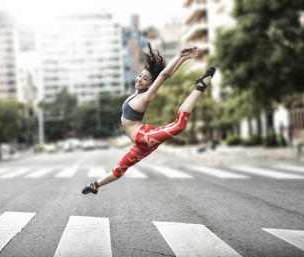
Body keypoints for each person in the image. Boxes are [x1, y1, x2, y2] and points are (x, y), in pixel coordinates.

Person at [82, 43, 215, 194]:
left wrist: (179, 55)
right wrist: (183, 58)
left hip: (143, 137)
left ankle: (200, 86)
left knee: (179, 126)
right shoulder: (136, 94)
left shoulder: (146, 97)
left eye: (144, 79)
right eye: (140, 76)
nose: (139, 79)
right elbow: (166, 75)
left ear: (150, 85)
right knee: (120, 169)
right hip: (142, 143)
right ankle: (95, 185)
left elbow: (163, 76)